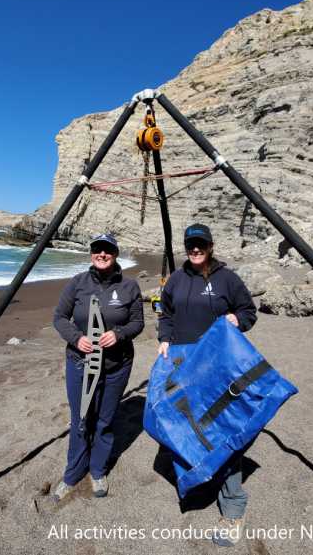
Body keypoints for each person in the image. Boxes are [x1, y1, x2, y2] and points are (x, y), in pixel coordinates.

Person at [157, 223, 257, 547]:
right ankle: (198, 478)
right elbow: (165, 312)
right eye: (190, 244)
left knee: (224, 428)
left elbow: (248, 311)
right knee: (188, 426)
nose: (195, 249)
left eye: (200, 244)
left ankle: (233, 508)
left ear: (210, 246)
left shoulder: (227, 279)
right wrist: (163, 338)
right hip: (185, 366)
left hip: (219, 365)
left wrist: (236, 320)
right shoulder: (176, 278)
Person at [52, 233, 144, 501]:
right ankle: (72, 474)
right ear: (92, 253)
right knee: (81, 418)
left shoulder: (129, 286)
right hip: (80, 364)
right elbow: (59, 317)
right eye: (97, 250)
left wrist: (119, 334)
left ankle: (98, 470)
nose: (102, 254)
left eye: (107, 250)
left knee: (104, 420)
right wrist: (76, 338)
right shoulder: (77, 283)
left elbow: (137, 323)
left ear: (115, 254)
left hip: (117, 365)